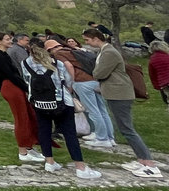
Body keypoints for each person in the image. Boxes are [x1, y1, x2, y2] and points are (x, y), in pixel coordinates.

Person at [82, 28, 162, 178]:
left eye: (87, 39)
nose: (86, 42)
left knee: (127, 129)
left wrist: (95, 71)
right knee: (124, 128)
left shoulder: (109, 52)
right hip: (114, 93)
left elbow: (99, 73)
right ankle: (141, 160)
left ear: (95, 38)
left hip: (119, 94)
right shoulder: (104, 51)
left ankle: (150, 165)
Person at [21, 39, 100, 180]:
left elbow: (27, 80)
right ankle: (80, 167)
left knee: (44, 131)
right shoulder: (57, 63)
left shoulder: (25, 63)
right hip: (61, 102)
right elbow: (68, 81)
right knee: (70, 134)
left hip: (39, 103)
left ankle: (49, 162)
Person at [0, 33, 44, 163]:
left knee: (28, 115)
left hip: (14, 85)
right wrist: (26, 88)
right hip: (11, 86)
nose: (10, 41)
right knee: (21, 118)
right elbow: (10, 75)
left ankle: (29, 146)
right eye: (7, 39)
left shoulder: (2, 54)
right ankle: (23, 151)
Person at [49, 40, 112, 148]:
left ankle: (102, 138)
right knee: (102, 110)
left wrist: (72, 82)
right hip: (94, 80)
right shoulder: (72, 50)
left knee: (93, 110)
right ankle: (110, 137)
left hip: (82, 82)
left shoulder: (59, 54)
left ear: (50, 49)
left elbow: (69, 66)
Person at [148, 40, 169, 105]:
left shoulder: (152, 59)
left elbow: (152, 75)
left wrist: (156, 86)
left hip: (164, 83)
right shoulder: (167, 56)